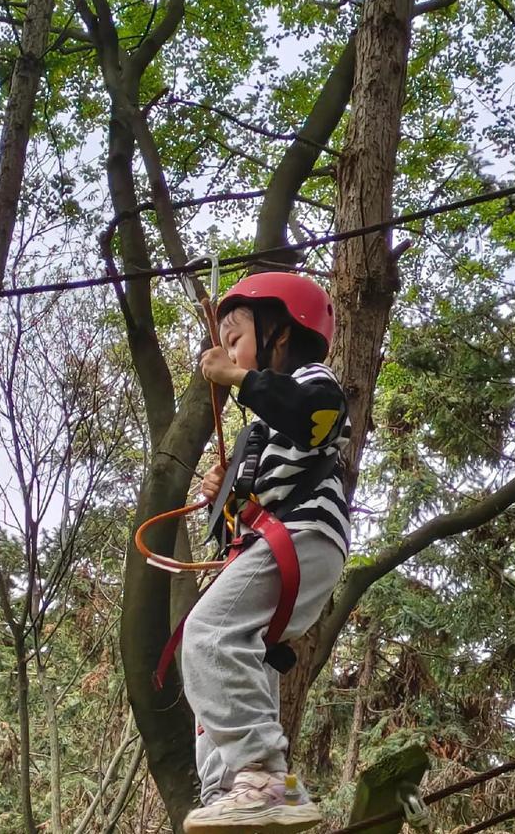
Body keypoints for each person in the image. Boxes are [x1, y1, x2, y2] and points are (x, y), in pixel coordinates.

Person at [181, 272, 351, 834]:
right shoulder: (260, 433)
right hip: (276, 543)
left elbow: (311, 415)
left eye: (235, 338)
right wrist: (221, 491)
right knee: (227, 659)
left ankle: (262, 779)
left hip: (302, 537)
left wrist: (238, 377)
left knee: (208, 634)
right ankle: (227, 794)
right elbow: (239, 506)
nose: (226, 351)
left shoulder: (314, 382)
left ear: (280, 330)